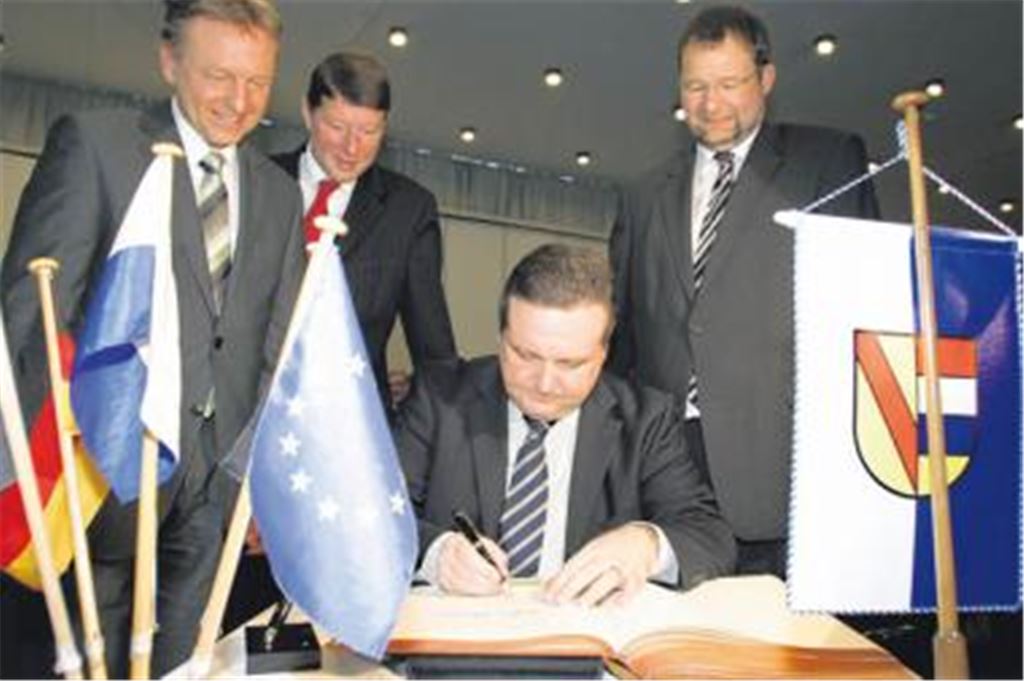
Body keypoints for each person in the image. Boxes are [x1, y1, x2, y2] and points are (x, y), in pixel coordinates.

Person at [0, 0, 305, 675]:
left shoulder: (280, 196)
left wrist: (252, 482)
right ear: (170, 61)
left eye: (257, 82)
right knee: (91, 663)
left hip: (209, 490)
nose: (238, 101)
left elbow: (275, 349)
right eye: (218, 76)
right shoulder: (96, 147)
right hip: (98, 477)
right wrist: (32, 468)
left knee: (184, 664)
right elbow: (31, 315)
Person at [608, 4, 879, 578]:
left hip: (778, 463)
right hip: (667, 466)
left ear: (767, 79)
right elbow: (625, 339)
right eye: (695, 86)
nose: (710, 105)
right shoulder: (642, 194)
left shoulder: (827, 163)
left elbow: (862, 317)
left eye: (730, 84)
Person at [396, 244, 735, 605]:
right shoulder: (439, 400)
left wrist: (645, 544)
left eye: (570, 364)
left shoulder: (646, 420)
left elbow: (708, 536)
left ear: (603, 353)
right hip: (460, 637)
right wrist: (437, 554)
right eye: (525, 355)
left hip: (587, 641)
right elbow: (373, 517)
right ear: (500, 337)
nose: (544, 383)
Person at [271, 50, 456, 410]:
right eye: (337, 127)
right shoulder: (259, 181)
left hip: (347, 428)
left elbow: (434, 350)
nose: (352, 148)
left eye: (369, 131)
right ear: (308, 113)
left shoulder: (409, 210)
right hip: (248, 417)